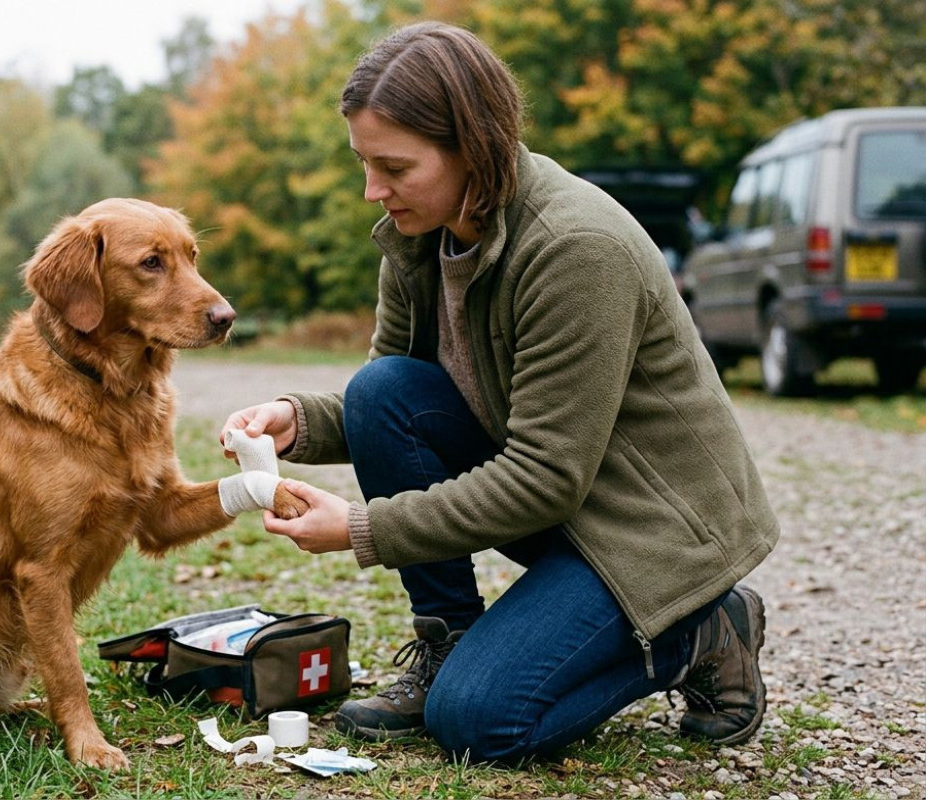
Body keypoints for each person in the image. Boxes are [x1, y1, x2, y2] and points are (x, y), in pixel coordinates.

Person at [219, 21, 778, 762]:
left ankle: (701, 631)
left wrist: (362, 529)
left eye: (394, 167)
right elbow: (393, 401)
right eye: (363, 162)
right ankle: (448, 641)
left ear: (471, 148)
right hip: (567, 500)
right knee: (381, 387)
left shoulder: (578, 251)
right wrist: (297, 422)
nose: (371, 191)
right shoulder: (419, 229)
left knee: (481, 722)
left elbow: (545, 476)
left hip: (651, 529)